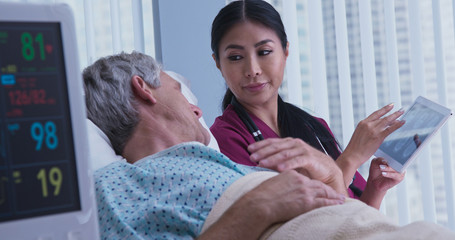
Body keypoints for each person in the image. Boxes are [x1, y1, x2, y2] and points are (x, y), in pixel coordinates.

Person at [84, 52, 454, 239]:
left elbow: (338, 216)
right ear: (142, 88)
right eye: (178, 90)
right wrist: (256, 208)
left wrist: (331, 179)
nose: (195, 107)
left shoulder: (225, 161)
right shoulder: (117, 184)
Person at [209, 0, 404, 209]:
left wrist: (375, 189)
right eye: (236, 57)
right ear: (218, 64)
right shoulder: (223, 140)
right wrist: (351, 159)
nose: (252, 69)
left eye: (264, 52)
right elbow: (296, 225)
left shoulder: (313, 125)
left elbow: (356, 222)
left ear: (285, 51)